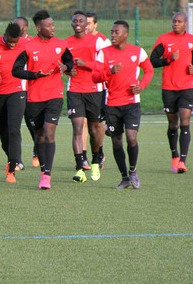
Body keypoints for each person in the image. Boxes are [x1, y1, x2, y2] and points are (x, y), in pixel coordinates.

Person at [12, 10, 73, 190]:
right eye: (49, 25)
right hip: (34, 99)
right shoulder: (27, 47)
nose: (53, 28)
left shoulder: (61, 45)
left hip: (55, 96)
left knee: (49, 132)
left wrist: (66, 66)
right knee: (39, 136)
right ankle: (43, 170)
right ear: (39, 28)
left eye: (53, 24)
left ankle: (47, 176)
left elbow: (70, 61)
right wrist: (33, 75)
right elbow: (15, 71)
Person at [93, 20, 154, 189]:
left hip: (131, 103)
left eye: (116, 32)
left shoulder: (137, 52)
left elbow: (149, 70)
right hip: (112, 104)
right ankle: (124, 177)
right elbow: (95, 77)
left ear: (125, 35)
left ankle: (133, 171)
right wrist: (109, 72)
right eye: (112, 32)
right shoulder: (103, 53)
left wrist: (141, 86)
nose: (112, 35)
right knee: (117, 142)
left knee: (132, 138)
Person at [150, 12, 193, 173]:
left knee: (185, 121)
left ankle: (182, 162)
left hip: (187, 87)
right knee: (173, 124)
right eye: (174, 21)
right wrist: (168, 59)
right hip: (169, 88)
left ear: (185, 24)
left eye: (179, 22)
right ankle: (174, 156)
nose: (175, 24)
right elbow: (152, 61)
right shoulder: (164, 39)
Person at [64, 11, 106, 183]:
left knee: (95, 129)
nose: (79, 23)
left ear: (87, 24)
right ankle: (80, 167)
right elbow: (63, 64)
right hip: (74, 90)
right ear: (72, 24)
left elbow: (104, 65)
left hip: (95, 90)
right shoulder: (65, 43)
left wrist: (85, 64)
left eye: (82, 21)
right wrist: (68, 70)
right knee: (78, 129)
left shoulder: (98, 41)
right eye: (75, 21)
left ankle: (96, 161)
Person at [0, 22, 27, 183]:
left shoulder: (25, 44)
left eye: (15, 42)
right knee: (4, 133)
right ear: (5, 35)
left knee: (14, 129)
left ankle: (11, 169)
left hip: (18, 91)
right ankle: (12, 158)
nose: (12, 44)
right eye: (9, 41)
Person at [85, 11, 111, 170]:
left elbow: (106, 65)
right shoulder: (79, 39)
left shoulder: (102, 41)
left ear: (95, 25)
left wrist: (85, 64)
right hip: (81, 89)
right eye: (83, 22)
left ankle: (99, 152)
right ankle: (83, 157)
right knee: (83, 124)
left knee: (98, 125)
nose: (85, 26)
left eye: (89, 23)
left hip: (99, 88)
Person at [14, 16, 39, 168]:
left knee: (33, 125)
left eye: (19, 26)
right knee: (14, 127)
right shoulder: (9, 42)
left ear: (25, 28)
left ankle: (37, 151)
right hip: (12, 91)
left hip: (29, 90)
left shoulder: (32, 43)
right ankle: (16, 160)